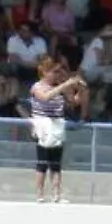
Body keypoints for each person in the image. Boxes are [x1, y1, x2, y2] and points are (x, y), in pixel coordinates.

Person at [28, 59, 83, 204]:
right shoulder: (37, 87)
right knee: (42, 162)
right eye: (55, 71)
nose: (57, 75)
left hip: (57, 125)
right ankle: (40, 194)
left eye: (58, 71)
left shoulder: (60, 87)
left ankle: (57, 194)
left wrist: (81, 89)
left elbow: (73, 102)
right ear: (45, 72)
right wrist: (66, 84)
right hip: (43, 127)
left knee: (56, 163)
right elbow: (45, 97)